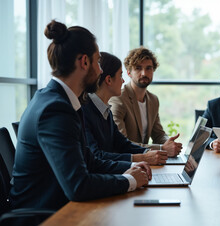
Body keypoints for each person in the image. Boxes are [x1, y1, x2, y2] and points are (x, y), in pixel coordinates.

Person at [10, 20, 151, 215]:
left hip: (59, 209)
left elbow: (89, 161)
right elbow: (78, 186)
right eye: (98, 62)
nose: (101, 71)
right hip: (43, 221)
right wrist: (130, 180)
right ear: (84, 62)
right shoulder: (56, 109)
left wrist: (131, 166)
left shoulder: (61, 101)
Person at [81, 52, 168, 165]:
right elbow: (96, 155)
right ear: (108, 80)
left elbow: (122, 143)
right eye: (121, 75)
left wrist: (149, 152)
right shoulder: (84, 110)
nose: (123, 81)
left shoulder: (105, 109)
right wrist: (144, 157)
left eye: (148, 68)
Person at [109, 46, 182, 157]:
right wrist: (162, 148)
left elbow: (158, 134)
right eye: (138, 68)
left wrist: (170, 143)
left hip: (147, 162)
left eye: (148, 68)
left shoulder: (153, 100)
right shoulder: (118, 99)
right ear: (129, 72)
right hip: (128, 162)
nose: (144, 73)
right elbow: (123, 144)